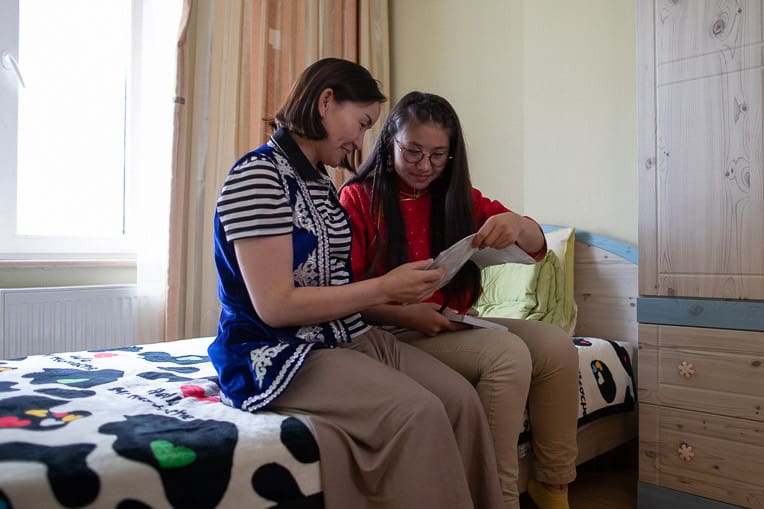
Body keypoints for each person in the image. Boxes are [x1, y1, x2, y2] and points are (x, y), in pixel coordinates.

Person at [208, 59, 504, 509]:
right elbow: (275, 307)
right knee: (417, 412)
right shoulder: (259, 177)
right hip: (277, 351)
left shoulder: (322, 185)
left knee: (461, 401)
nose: (361, 141)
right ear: (326, 101)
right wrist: (386, 289)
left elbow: (337, 284)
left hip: (342, 336)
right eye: (362, 122)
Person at [339, 91, 579, 509]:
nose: (425, 166)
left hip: (448, 320)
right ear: (389, 140)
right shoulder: (358, 198)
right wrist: (409, 314)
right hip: (386, 330)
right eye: (413, 152)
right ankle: (497, 497)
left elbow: (538, 247)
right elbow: (343, 294)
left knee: (556, 345)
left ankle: (552, 486)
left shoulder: (457, 195)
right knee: (507, 355)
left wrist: (517, 224)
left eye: (438, 155)